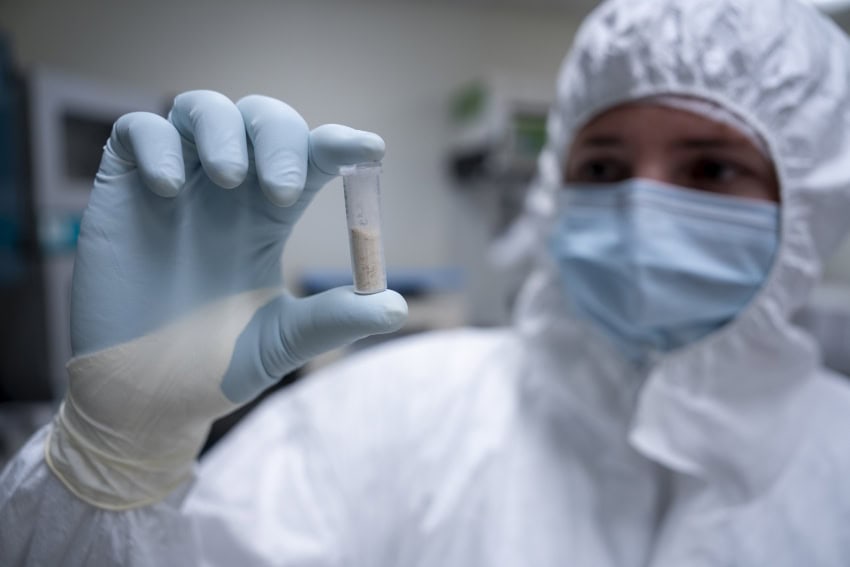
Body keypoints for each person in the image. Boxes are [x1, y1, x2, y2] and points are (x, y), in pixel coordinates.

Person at [3, 0, 850, 564]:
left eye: (711, 169)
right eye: (601, 165)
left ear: (811, 207)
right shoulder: (379, 412)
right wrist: (119, 465)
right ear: (555, 188)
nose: (638, 207)